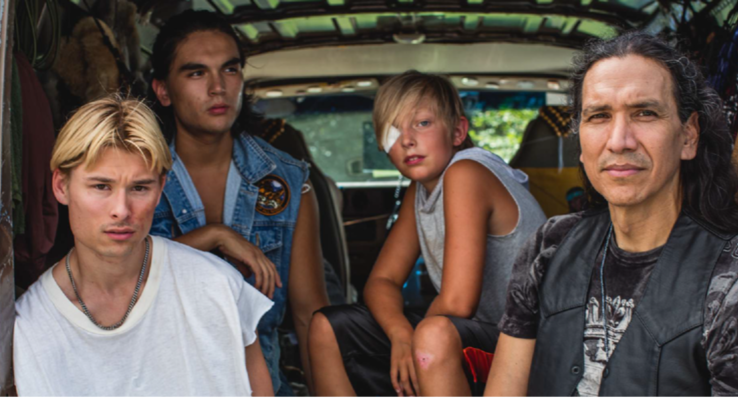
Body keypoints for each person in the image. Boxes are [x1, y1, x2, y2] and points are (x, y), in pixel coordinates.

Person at [485, 32, 738, 397]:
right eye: (599, 116)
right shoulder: (550, 246)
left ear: (688, 136)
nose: (619, 141)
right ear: (581, 144)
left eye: (645, 113)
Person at [13, 96, 274, 397]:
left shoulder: (217, 287)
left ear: (160, 188)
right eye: (101, 186)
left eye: (139, 187)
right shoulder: (31, 326)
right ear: (61, 186)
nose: (121, 210)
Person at [309, 70, 547, 397]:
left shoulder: (466, 172)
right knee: (327, 328)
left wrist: (415, 342)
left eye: (422, 123)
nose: (407, 139)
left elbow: (458, 303)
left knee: (432, 336)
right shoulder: (420, 190)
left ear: (458, 131)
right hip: (478, 338)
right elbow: (382, 281)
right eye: (393, 130)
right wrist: (400, 336)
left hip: (529, 345)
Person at [148, 11, 329, 396]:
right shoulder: (134, 177)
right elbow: (116, 279)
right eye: (196, 73)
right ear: (163, 91)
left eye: (229, 70)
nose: (218, 88)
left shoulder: (287, 181)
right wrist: (214, 236)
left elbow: (310, 318)